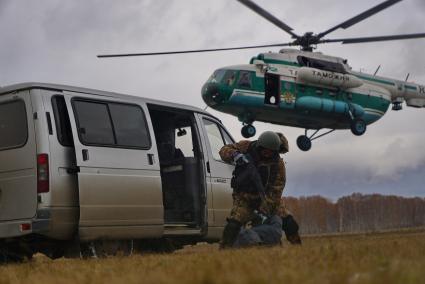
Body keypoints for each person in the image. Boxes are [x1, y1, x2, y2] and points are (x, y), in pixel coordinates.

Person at [219, 131, 285, 248]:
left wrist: (266, 206)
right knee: (234, 223)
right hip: (244, 198)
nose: (267, 153)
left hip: (263, 199)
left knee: (267, 226)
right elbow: (223, 150)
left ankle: (265, 248)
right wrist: (235, 155)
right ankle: (225, 248)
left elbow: (277, 188)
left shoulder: (278, 163)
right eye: (265, 150)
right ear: (260, 146)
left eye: (271, 151)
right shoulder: (246, 147)